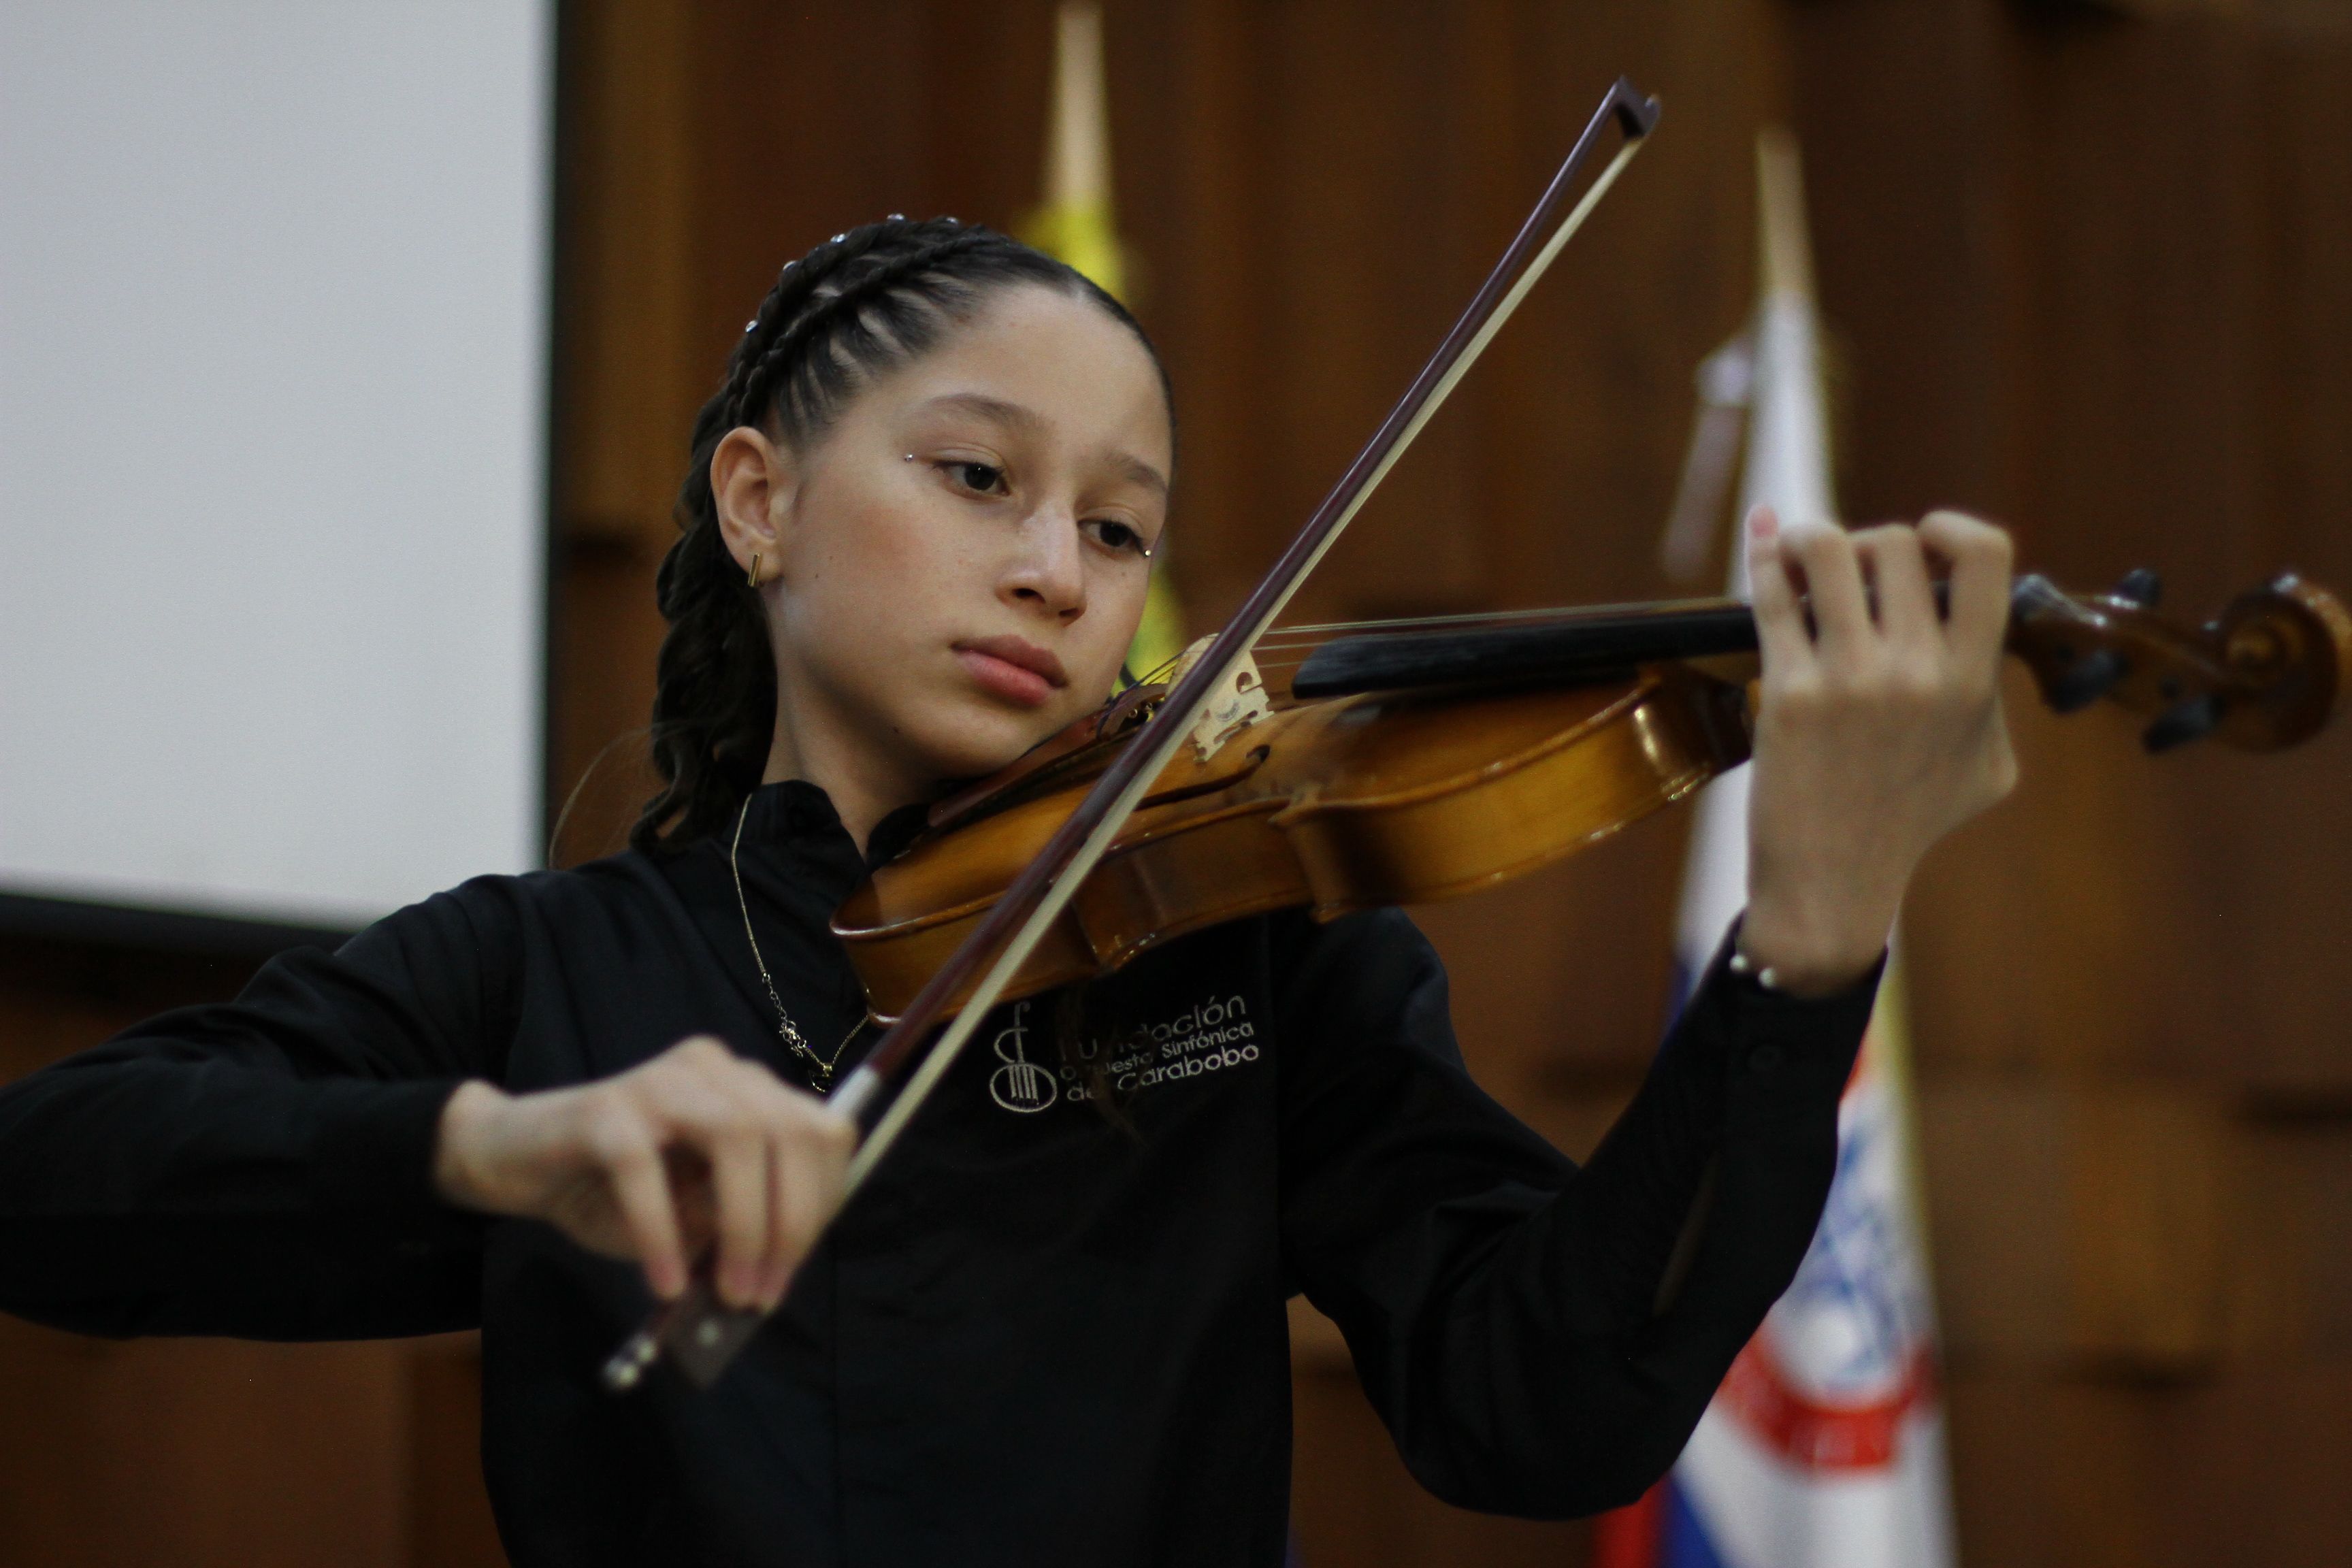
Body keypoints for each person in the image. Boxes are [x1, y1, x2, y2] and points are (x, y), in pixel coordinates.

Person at [0, 217, 2015, 1567]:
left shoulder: (1261, 961)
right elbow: (55, 1182)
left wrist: (1808, 944)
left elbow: (1544, 1405)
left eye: (1122, 528)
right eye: (982, 480)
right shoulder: (558, 967)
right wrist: (506, 1147)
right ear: (760, 499)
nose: (1062, 571)